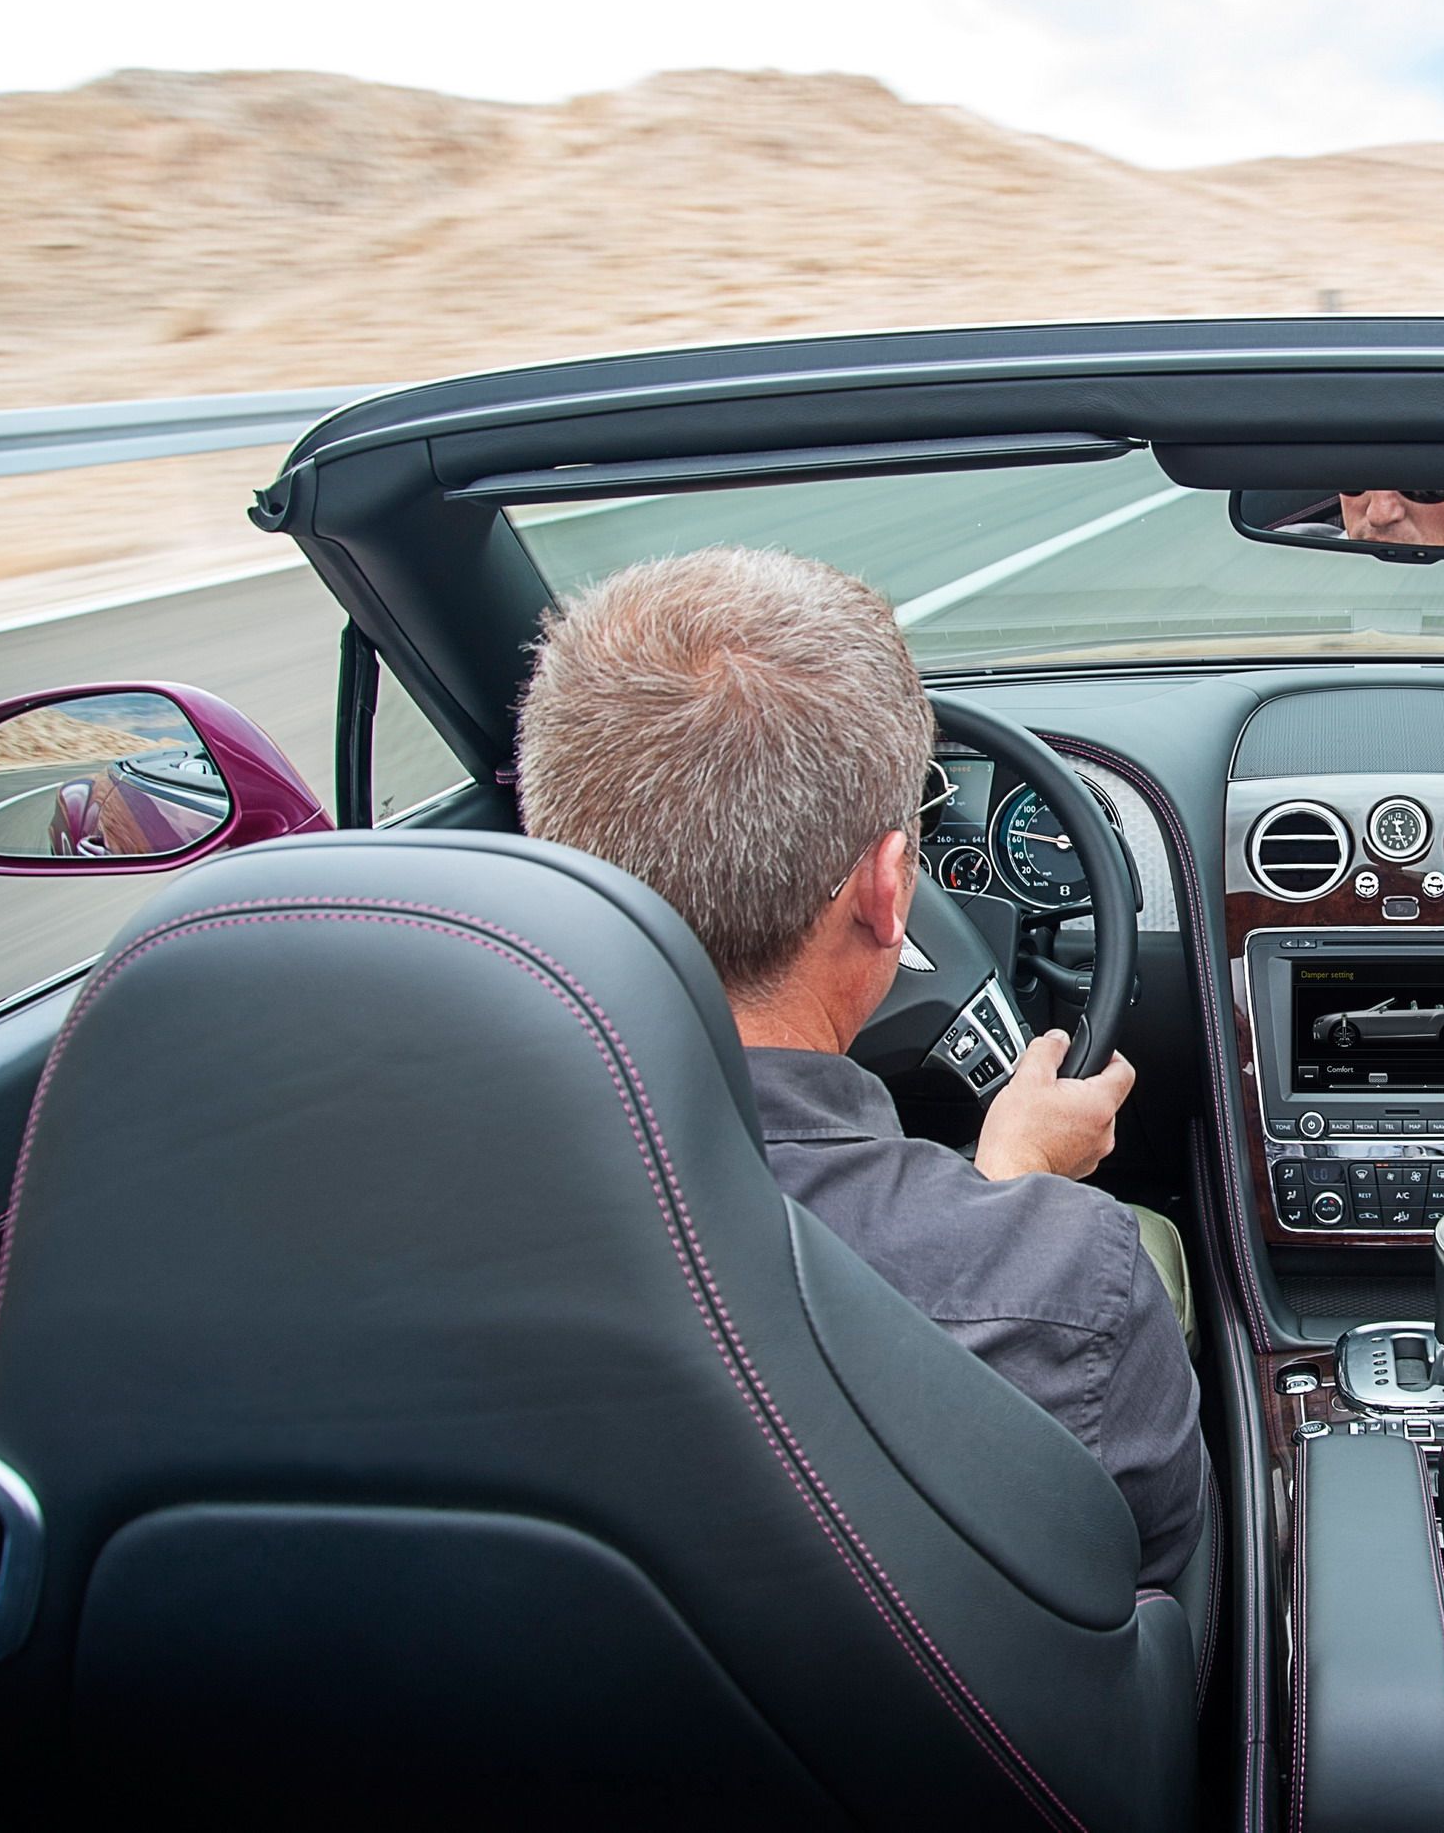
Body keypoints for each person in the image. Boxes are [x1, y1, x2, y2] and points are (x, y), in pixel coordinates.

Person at [515, 546, 1207, 1585]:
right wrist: (1006, 1204)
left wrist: (992, 1200)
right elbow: (1149, 1554)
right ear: (890, 893)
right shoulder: (1071, 1280)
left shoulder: (374, 1208)